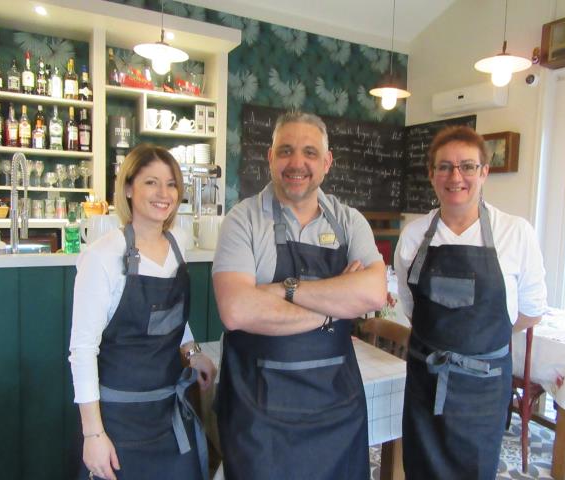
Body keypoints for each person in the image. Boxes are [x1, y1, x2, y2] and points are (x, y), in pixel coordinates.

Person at [212, 111, 387, 479]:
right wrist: (335, 309)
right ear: (270, 157)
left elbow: (373, 293)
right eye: (286, 150)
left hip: (336, 408)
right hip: (259, 414)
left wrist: (284, 291)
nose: (297, 163)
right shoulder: (242, 220)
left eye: (310, 152)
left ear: (326, 163)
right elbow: (237, 311)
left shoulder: (349, 220)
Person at [394, 126, 547, 479]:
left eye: (467, 166)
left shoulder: (515, 232)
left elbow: (531, 310)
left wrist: (476, 344)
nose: (456, 176)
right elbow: (409, 303)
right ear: (431, 175)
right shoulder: (415, 234)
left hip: (484, 387)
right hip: (425, 379)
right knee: (420, 467)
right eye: (444, 167)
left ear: (484, 173)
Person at [69, 144, 216, 480]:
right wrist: (94, 435)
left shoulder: (179, 244)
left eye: (171, 184)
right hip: (118, 422)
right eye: (151, 182)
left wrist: (193, 353)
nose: (163, 193)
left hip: (168, 414)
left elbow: (170, 314)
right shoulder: (102, 256)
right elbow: (82, 350)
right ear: (129, 188)